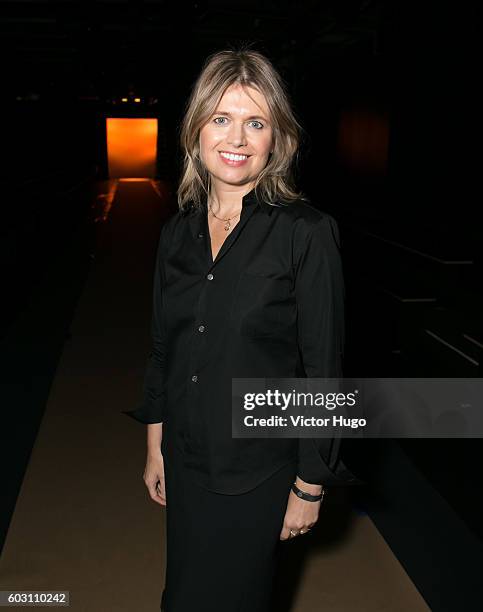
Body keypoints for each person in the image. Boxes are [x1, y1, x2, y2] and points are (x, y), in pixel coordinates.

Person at [122, 46, 360, 612]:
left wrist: (309, 485)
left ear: (277, 140)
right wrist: (156, 448)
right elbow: (164, 349)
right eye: (221, 118)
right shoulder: (176, 234)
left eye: (256, 122)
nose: (237, 138)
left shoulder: (307, 233)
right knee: (180, 597)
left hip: (258, 472)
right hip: (185, 455)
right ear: (195, 133)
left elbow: (323, 372)